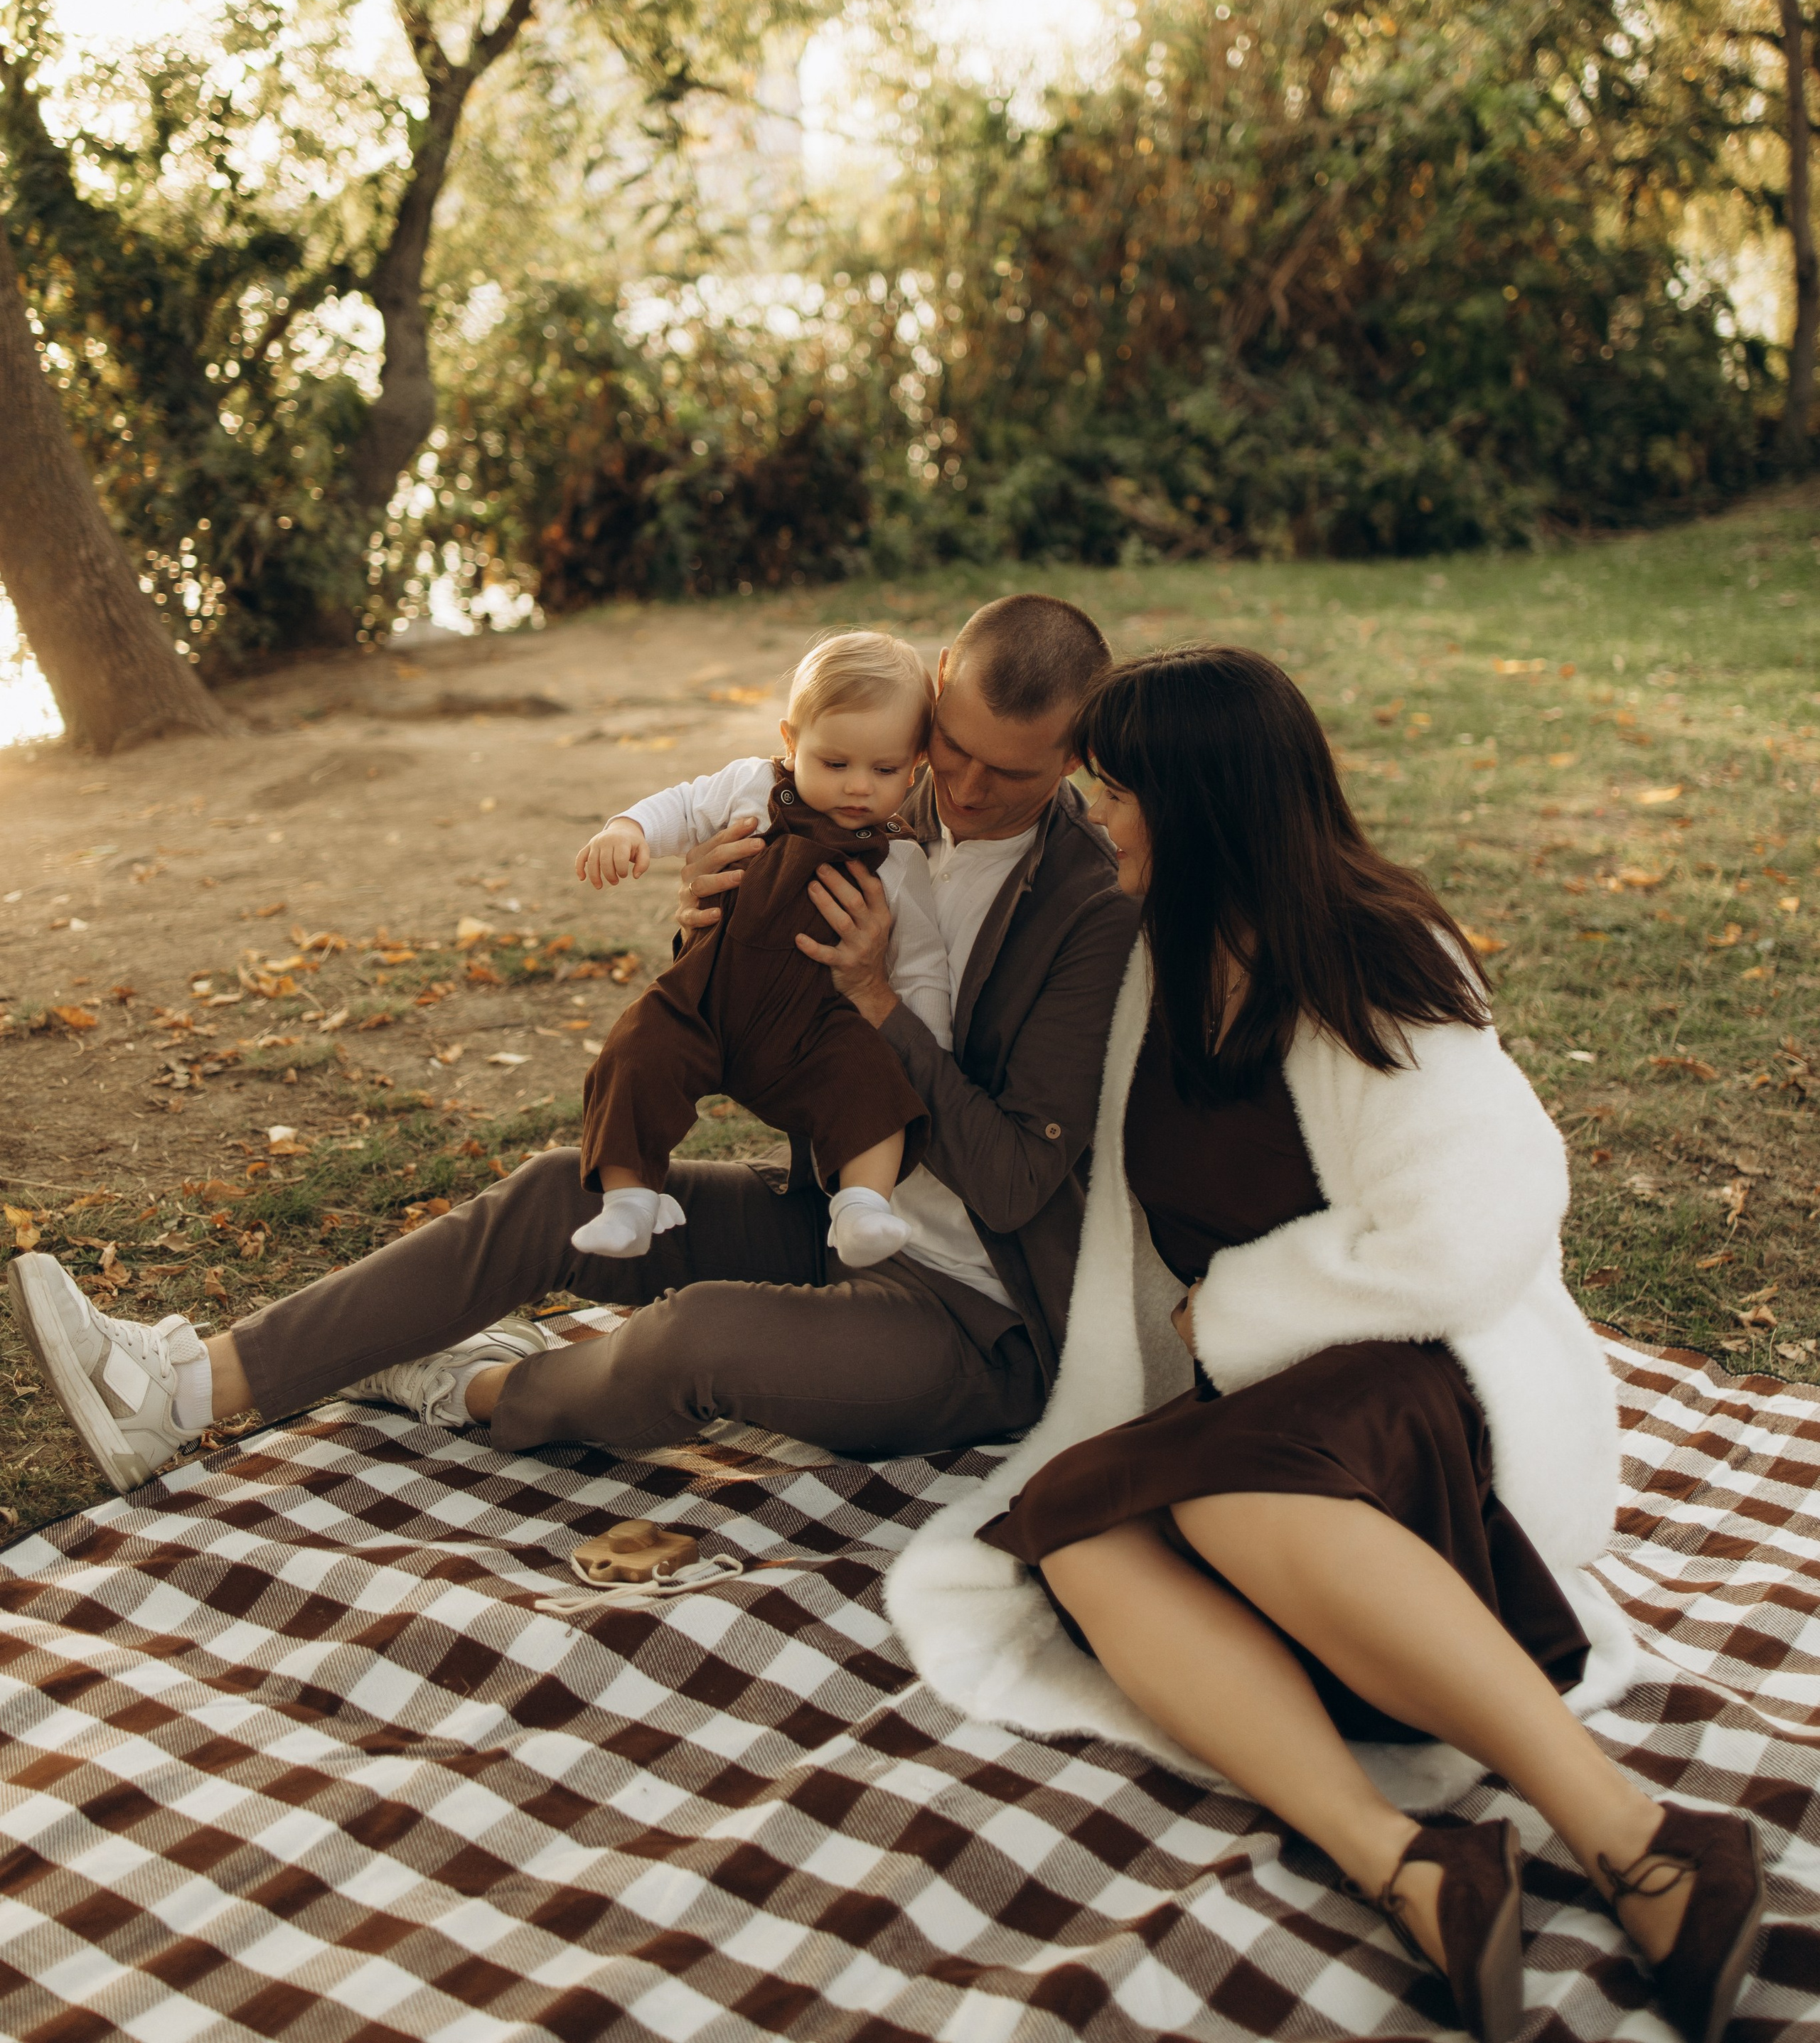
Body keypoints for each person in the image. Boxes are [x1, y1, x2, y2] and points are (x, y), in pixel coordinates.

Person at [885, 648, 1765, 2043]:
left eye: (1116, 793)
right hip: (1282, 1389)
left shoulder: (1369, 952)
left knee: (1230, 1497)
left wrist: (1230, 1316)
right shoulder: (1162, 953)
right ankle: (1404, 1859)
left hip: (1423, 1372)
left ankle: (1642, 1838)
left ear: (1197, 803)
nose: (1096, 817)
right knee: (1072, 1522)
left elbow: (1477, 1217)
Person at [13, 591, 1138, 1484]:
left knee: (696, 1336)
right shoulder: (877, 786)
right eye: (956, 753)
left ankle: (476, 1391)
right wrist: (717, 923)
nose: (968, 791)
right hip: (835, 1221)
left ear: (1076, 758)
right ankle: (183, 1393)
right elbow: (763, 1020)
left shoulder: (1087, 906)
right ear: (937, 694)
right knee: (566, 1186)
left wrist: (879, 1006)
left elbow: (1018, 1178)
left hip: (975, 1308)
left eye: (1017, 774)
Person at [570, 631, 951, 1272]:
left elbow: (922, 963)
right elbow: (685, 805)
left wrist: (927, 1030)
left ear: (914, 766)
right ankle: (630, 1200)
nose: (859, 786)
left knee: (870, 1082)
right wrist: (630, 828)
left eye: (885, 771)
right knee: (635, 1050)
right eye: (835, 764)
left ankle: (862, 1203)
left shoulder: (901, 858)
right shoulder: (751, 789)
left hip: (808, 1032)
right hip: (704, 1003)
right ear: (791, 742)